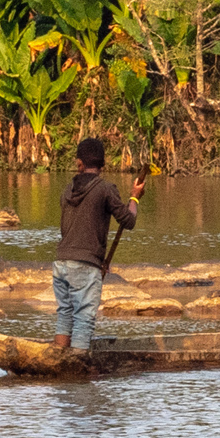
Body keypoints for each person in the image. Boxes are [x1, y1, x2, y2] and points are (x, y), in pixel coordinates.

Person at [52, 136, 142, 354]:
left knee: (65, 312)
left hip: (61, 262)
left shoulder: (67, 189)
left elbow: (68, 230)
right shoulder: (105, 188)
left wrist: (97, 261)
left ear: (79, 164)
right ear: (103, 165)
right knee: (83, 315)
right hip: (84, 264)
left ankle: (58, 356)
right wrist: (135, 198)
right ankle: (77, 363)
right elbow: (128, 221)